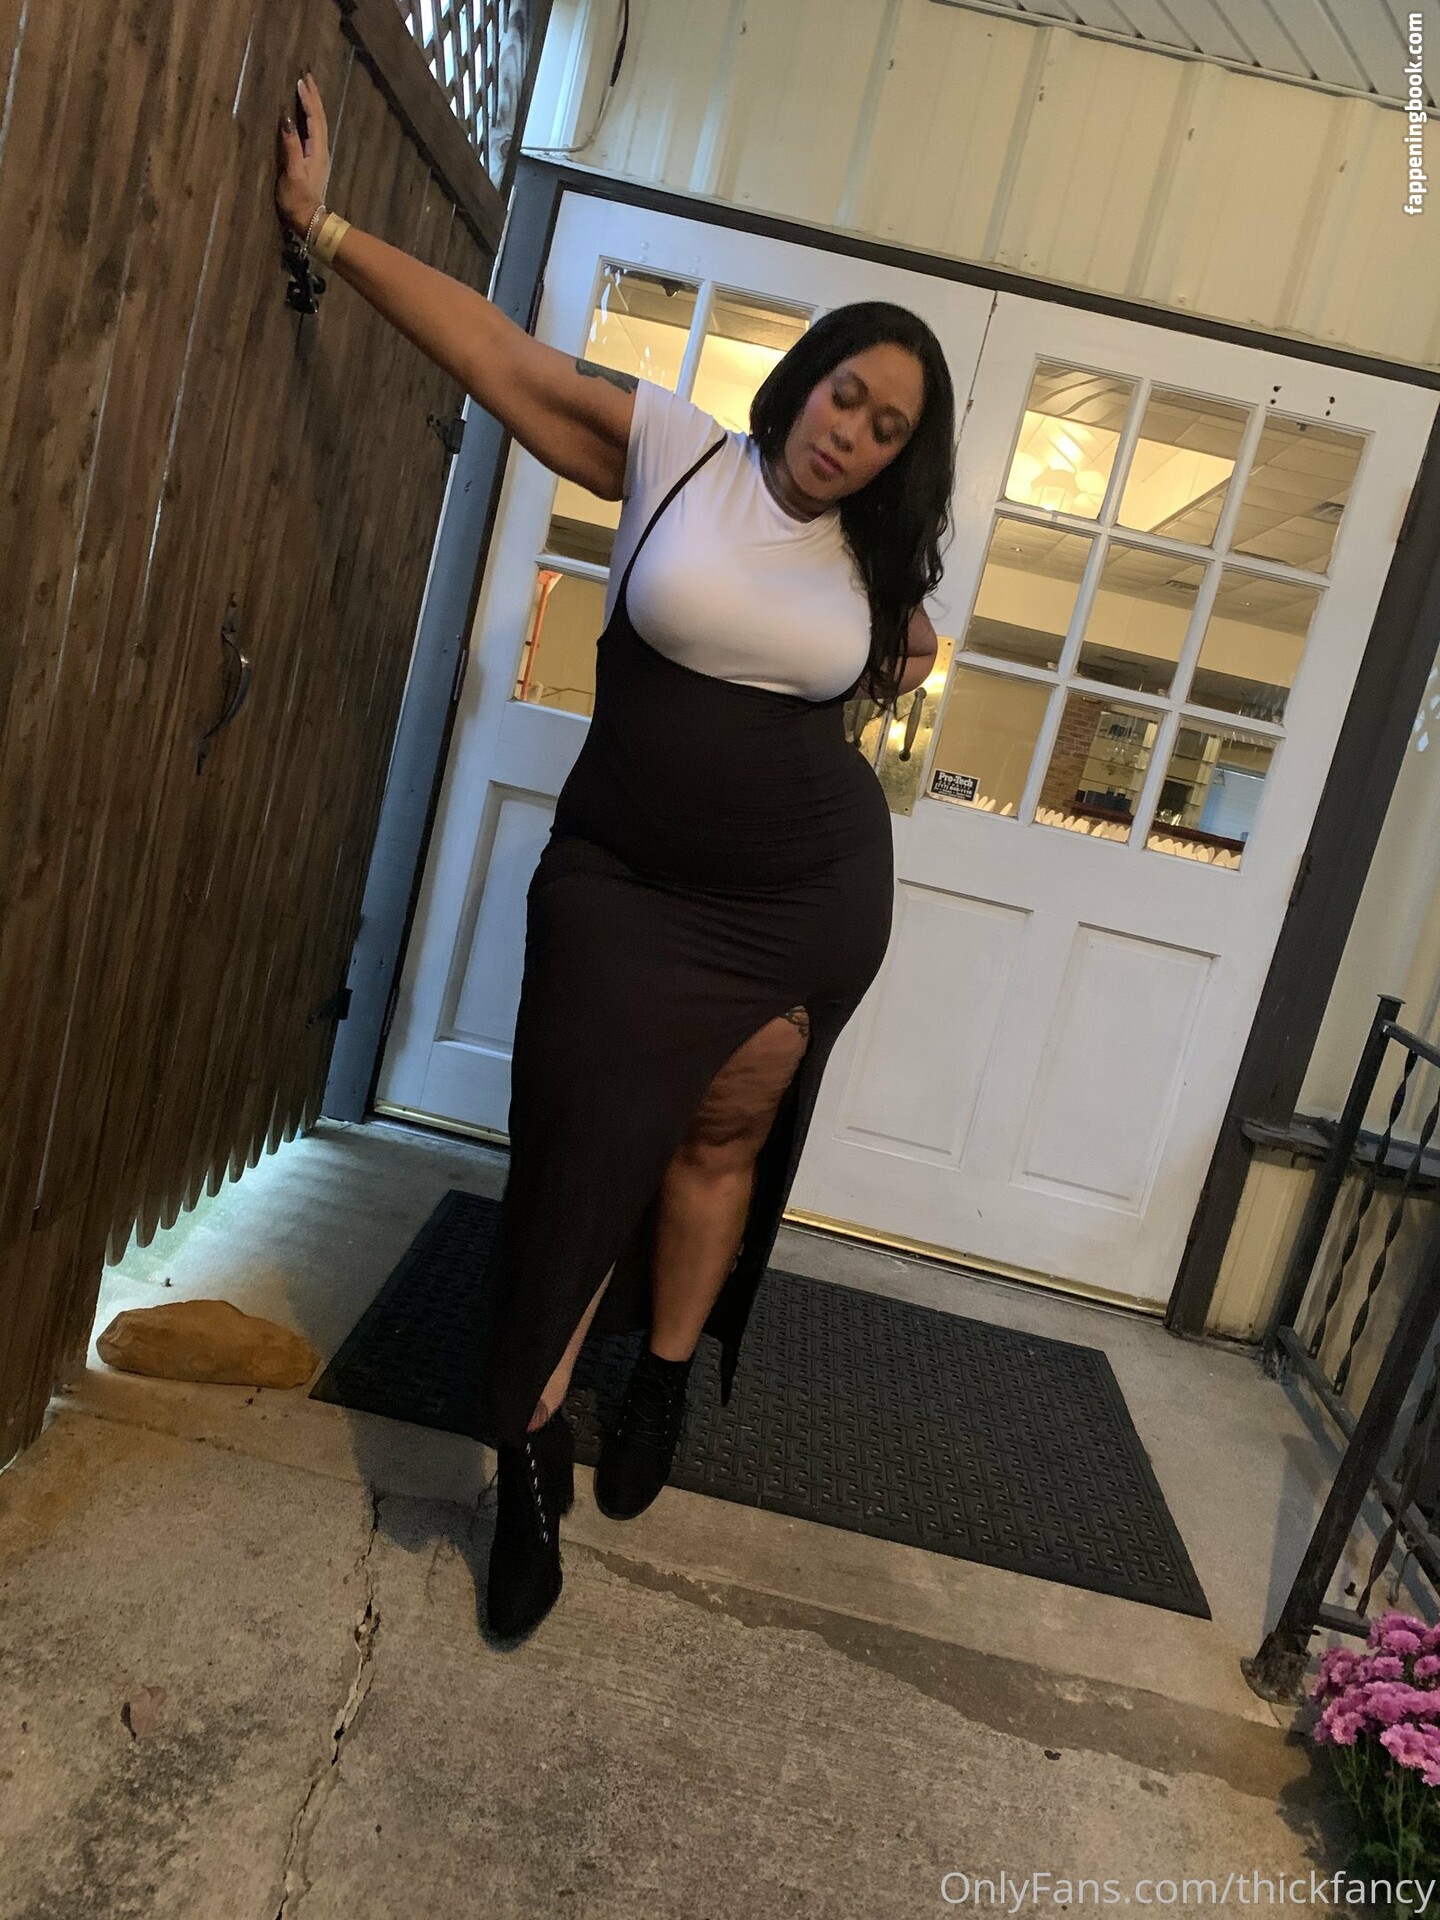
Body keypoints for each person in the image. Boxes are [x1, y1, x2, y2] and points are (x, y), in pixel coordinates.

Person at [276, 73, 956, 1645]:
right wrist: (332, 230)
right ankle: (528, 1457)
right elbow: (496, 353)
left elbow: (913, 651)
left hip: (797, 909)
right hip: (621, 891)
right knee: (578, 1158)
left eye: (889, 430)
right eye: (847, 396)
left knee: (716, 1139)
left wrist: (869, 681)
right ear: (805, 379)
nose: (852, 435)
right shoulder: (674, 452)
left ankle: (659, 1379)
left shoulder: (874, 574)